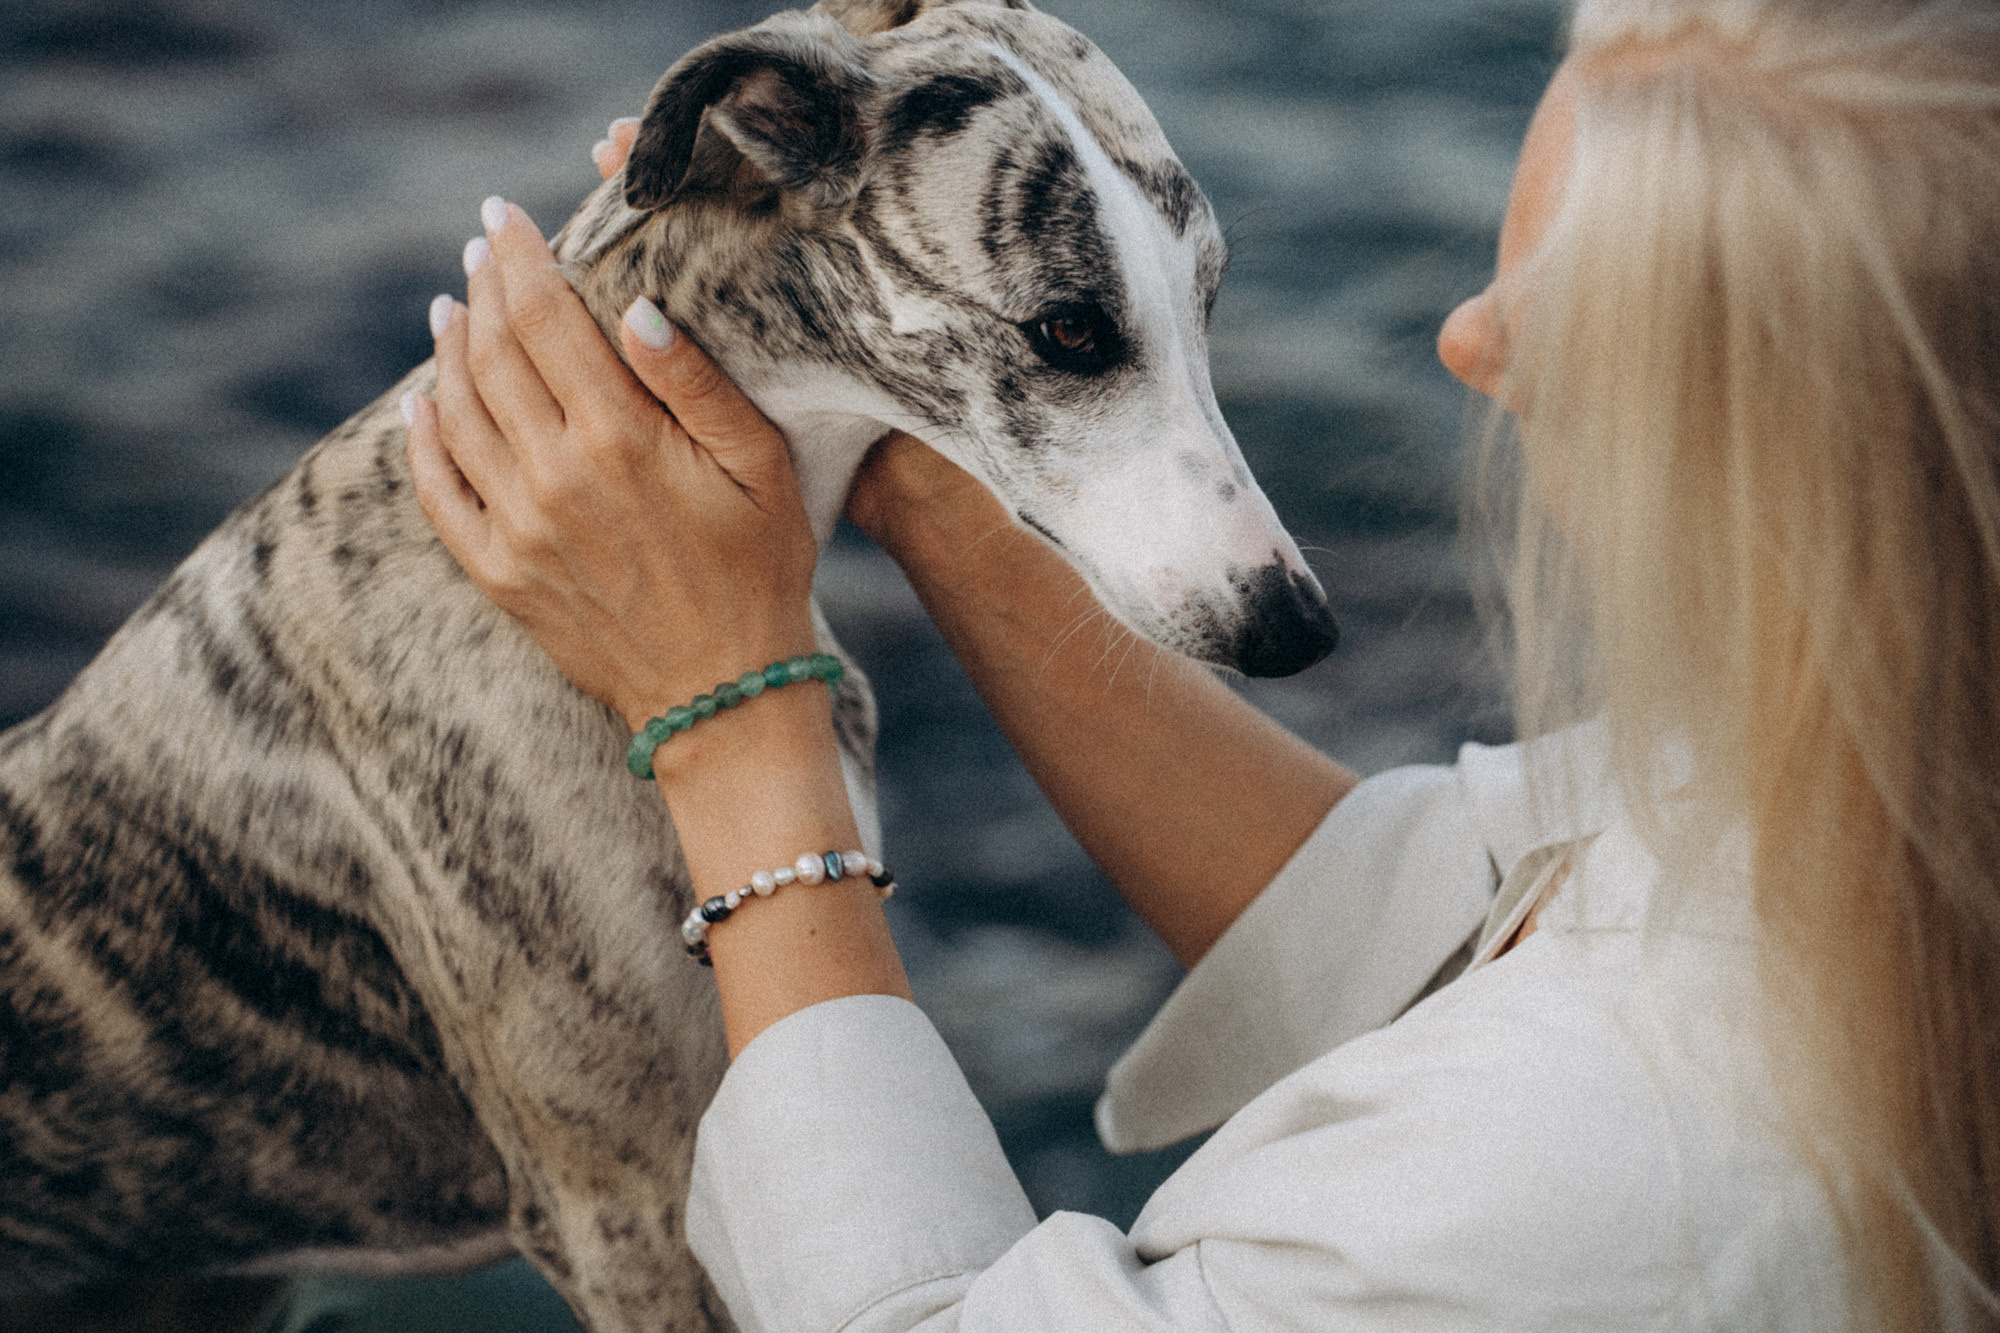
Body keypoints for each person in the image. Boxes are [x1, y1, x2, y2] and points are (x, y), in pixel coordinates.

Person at [402, 0, 2000, 1327]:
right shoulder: (1898, 751)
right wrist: (932, 463)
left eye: (1584, 313)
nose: (1466, 336)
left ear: (1828, 465)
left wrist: (729, 707)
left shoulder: (1627, 1161)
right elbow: (1427, 924)